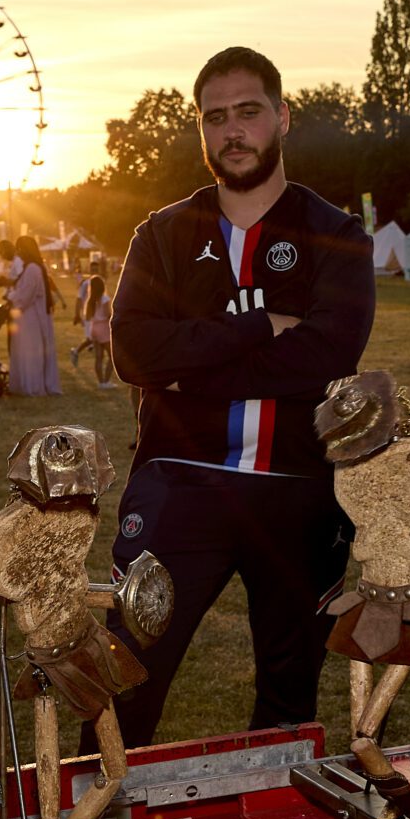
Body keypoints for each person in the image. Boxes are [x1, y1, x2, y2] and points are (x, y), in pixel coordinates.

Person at [107, 45, 374, 743]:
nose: (232, 130)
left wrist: (188, 368)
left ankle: (274, 813)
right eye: (215, 117)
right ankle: (93, 809)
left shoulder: (335, 233)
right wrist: (259, 327)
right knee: (122, 681)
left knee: (288, 706)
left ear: (282, 117)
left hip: (298, 489)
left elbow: (326, 357)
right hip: (179, 480)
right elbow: (132, 353)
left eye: (247, 112)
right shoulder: (162, 234)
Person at [4, 233, 62, 395]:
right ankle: (28, 384)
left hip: (30, 317)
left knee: (30, 352)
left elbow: (25, 296)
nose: (17, 252)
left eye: (19, 249)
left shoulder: (32, 269)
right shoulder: (33, 267)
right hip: (30, 316)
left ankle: (32, 386)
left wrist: (11, 299)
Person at [71, 254, 114, 386]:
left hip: (94, 328)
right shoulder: (105, 299)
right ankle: (107, 381)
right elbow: (107, 315)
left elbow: (88, 316)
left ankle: (101, 382)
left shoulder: (90, 301)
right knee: (112, 357)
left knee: (99, 357)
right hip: (104, 329)